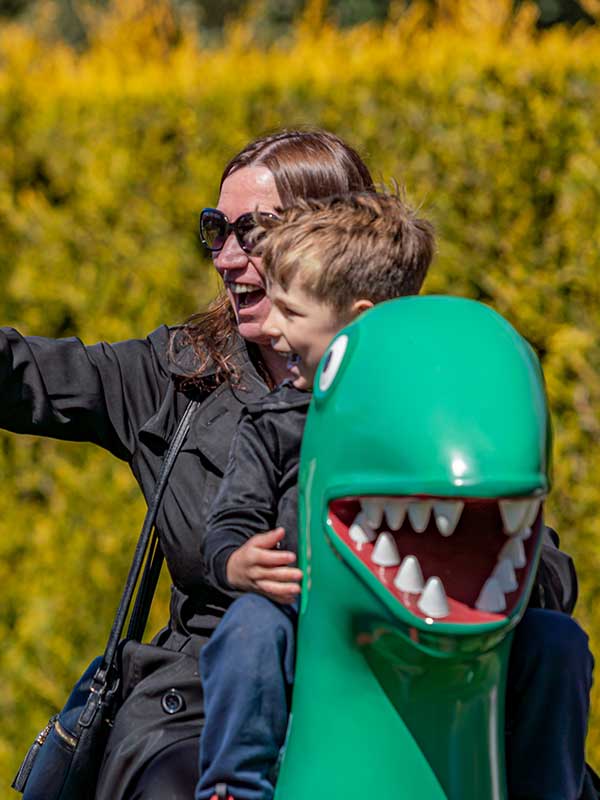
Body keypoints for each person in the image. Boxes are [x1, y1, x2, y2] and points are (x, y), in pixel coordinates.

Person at [1, 129, 377, 800]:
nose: (227, 257)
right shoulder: (178, 375)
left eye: (252, 232)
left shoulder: (410, 380)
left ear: (328, 242)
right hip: (200, 709)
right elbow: (24, 375)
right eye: (216, 230)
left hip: (387, 691)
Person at [196, 194, 594, 800]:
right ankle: (234, 785)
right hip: (312, 627)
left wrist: (511, 576)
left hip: (450, 640)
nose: (269, 329)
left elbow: (533, 544)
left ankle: (552, 787)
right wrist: (237, 562)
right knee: (250, 629)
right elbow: (230, 521)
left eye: (289, 311)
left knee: (558, 642)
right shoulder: (274, 421)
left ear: (360, 325)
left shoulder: (428, 422)